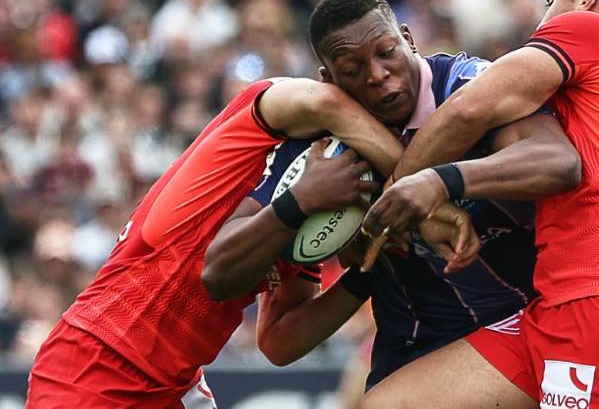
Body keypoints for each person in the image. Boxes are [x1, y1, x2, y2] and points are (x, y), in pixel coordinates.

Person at [357, 0, 599, 409]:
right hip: (559, 309)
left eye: (551, 1)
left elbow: (471, 107)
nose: (542, 21)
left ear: (587, 0)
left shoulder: (593, 32)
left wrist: (401, 192)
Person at [201, 0, 581, 393]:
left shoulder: (467, 85)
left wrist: (438, 183)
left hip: (524, 324)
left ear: (408, 38)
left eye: (387, 52)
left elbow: (559, 162)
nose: (378, 75)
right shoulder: (317, 153)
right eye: (352, 69)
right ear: (329, 80)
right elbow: (250, 309)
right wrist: (336, 240)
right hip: (413, 353)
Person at [25, 76, 418, 408]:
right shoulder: (249, 137)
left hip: (177, 386)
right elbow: (323, 99)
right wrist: (423, 187)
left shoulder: (309, 226)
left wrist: (368, 268)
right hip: (96, 359)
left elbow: (278, 342)